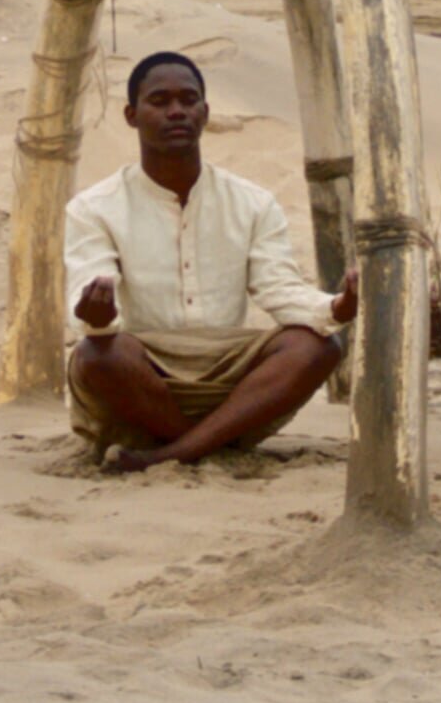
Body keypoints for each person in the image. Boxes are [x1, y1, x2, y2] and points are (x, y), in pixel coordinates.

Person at [64, 50, 358, 471]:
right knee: (97, 354)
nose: (177, 112)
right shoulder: (94, 207)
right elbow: (89, 290)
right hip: (144, 373)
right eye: (160, 101)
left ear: (205, 112)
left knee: (317, 345)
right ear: (131, 115)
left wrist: (335, 307)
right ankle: (212, 444)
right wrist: (96, 313)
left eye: (188, 100)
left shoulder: (252, 202)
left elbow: (278, 289)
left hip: (229, 372)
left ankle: (173, 453)